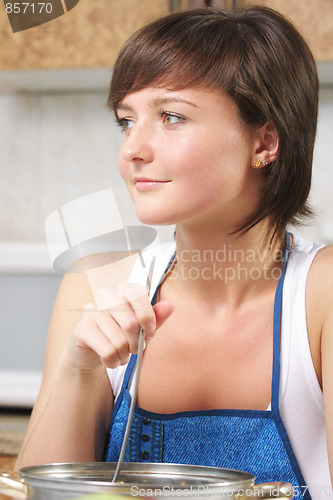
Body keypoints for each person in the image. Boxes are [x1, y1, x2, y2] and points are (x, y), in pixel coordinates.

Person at [15, 5, 332, 500]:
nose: (132, 149)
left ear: (264, 141)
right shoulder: (94, 287)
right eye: (126, 122)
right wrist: (79, 370)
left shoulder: (322, 294)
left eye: (171, 116)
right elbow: (42, 494)